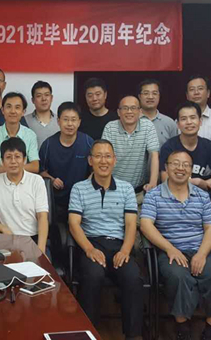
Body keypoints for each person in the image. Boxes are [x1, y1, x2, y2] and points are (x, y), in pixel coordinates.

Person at [141, 150, 211, 340]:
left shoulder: (202, 196)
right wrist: (170, 249)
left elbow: (210, 228)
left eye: (185, 165)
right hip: (170, 251)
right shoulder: (154, 195)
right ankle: (182, 328)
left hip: (202, 250)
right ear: (166, 168)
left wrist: (202, 254)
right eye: (175, 163)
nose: (180, 168)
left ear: (191, 170)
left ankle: (210, 330)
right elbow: (145, 225)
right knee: (179, 278)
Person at [68, 140, 143, 338]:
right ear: (90, 160)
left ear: (114, 160)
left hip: (119, 244)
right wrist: (89, 249)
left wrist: (125, 251)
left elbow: (131, 225)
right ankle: (89, 332)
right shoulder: (79, 188)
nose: (104, 161)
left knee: (133, 277)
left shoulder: (126, 188)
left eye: (108, 156)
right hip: (91, 243)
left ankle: (133, 335)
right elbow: (74, 224)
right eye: (98, 156)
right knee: (93, 275)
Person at [0, 137, 48, 254]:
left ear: (24, 160)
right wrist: (3, 228)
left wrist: (41, 249)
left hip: (32, 239)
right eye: (8, 157)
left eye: (17, 157)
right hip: (5, 241)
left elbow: (42, 217)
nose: (13, 161)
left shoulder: (36, 181)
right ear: (2, 161)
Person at [39, 102, 93, 222]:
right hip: (56, 202)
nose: (69, 124)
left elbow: (96, 170)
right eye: (65, 119)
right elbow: (40, 172)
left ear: (79, 122)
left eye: (73, 120)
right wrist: (52, 180)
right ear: (58, 121)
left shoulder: (88, 142)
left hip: (82, 201)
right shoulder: (48, 144)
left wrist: (86, 186)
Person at [102, 95, 159, 204]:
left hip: (138, 191)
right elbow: (104, 157)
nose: (129, 111)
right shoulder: (110, 127)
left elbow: (154, 155)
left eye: (133, 108)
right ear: (118, 112)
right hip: (112, 190)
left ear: (140, 111)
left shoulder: (147, 126)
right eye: (125, 108)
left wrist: (152, 183)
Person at [159, 102, 211, 191]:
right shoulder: (169, 146)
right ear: (178, 124)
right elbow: (165, 178)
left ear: (200, 121)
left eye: (193, 118)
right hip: (175, 194)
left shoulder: (208, 145)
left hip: (201, 194)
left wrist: (204, 184)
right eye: (184, 119)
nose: (189, 122)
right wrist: (191, 184)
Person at [0, 92, 39, 174]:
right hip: (1, 179)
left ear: (23, 112)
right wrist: (18, 167)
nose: (13, 111)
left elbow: (35, 166)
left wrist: (10, 168)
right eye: (9, 107)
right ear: (2, 110)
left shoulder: (30, 135)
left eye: (17, 107)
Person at [138, 79, 178, 148]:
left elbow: (175, 149)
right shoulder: (132, 120)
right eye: (146, 93)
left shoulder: (169, 123)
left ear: (159, 96)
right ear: (139, 96)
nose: (150, 97)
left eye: (154, 93)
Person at [79, 77, 118, 141]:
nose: (94, 98)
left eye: (98, 94)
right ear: (85, 97)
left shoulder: (115, 119)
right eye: (90, 95)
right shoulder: (80, 120)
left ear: (105, 95)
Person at [24, 81, 60, 148]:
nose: (44, 99)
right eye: (39, 96)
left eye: (47, 95)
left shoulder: (60, 121)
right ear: (33, 100)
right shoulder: (24, 121)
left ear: (51, 98)